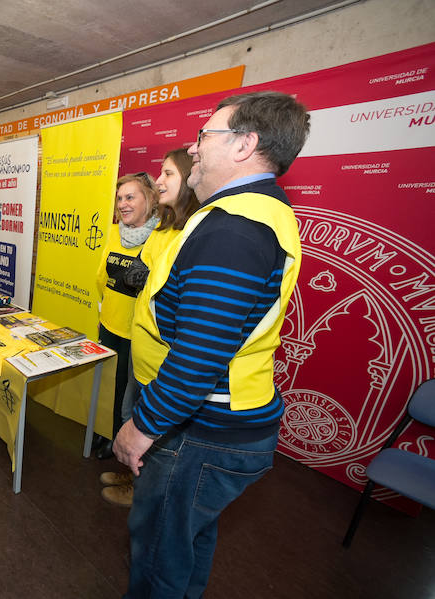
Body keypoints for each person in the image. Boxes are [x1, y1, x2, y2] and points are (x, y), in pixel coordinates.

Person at [114, 91, 309, 598]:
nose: (194, 148)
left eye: (204, 136)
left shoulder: (235, 228)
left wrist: (142, 426)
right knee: (186, 541)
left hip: (202, 430)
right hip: (218, 425)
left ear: (245, 144)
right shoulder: (244, 214)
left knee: (159, 552)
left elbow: (199, 354)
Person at [99, 148, 199, 507]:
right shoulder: (166, 227)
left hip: (158, 353)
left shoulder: (189, 232)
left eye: (169, 174)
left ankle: (141, 488)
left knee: (151, 426)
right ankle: (131, 474)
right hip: (140, 345)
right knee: (130, 414)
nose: (160, 180)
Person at [92, 173, 160, 464]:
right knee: (110, 384)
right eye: (119, 198)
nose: (122, 204)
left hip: (139, 332)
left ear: (149, 200)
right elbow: (101, 276)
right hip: (109, 323)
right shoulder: (112, 232)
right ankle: (107, 432)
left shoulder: (161, 239)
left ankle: (123, 440)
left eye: (130, 197)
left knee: (130, 393)